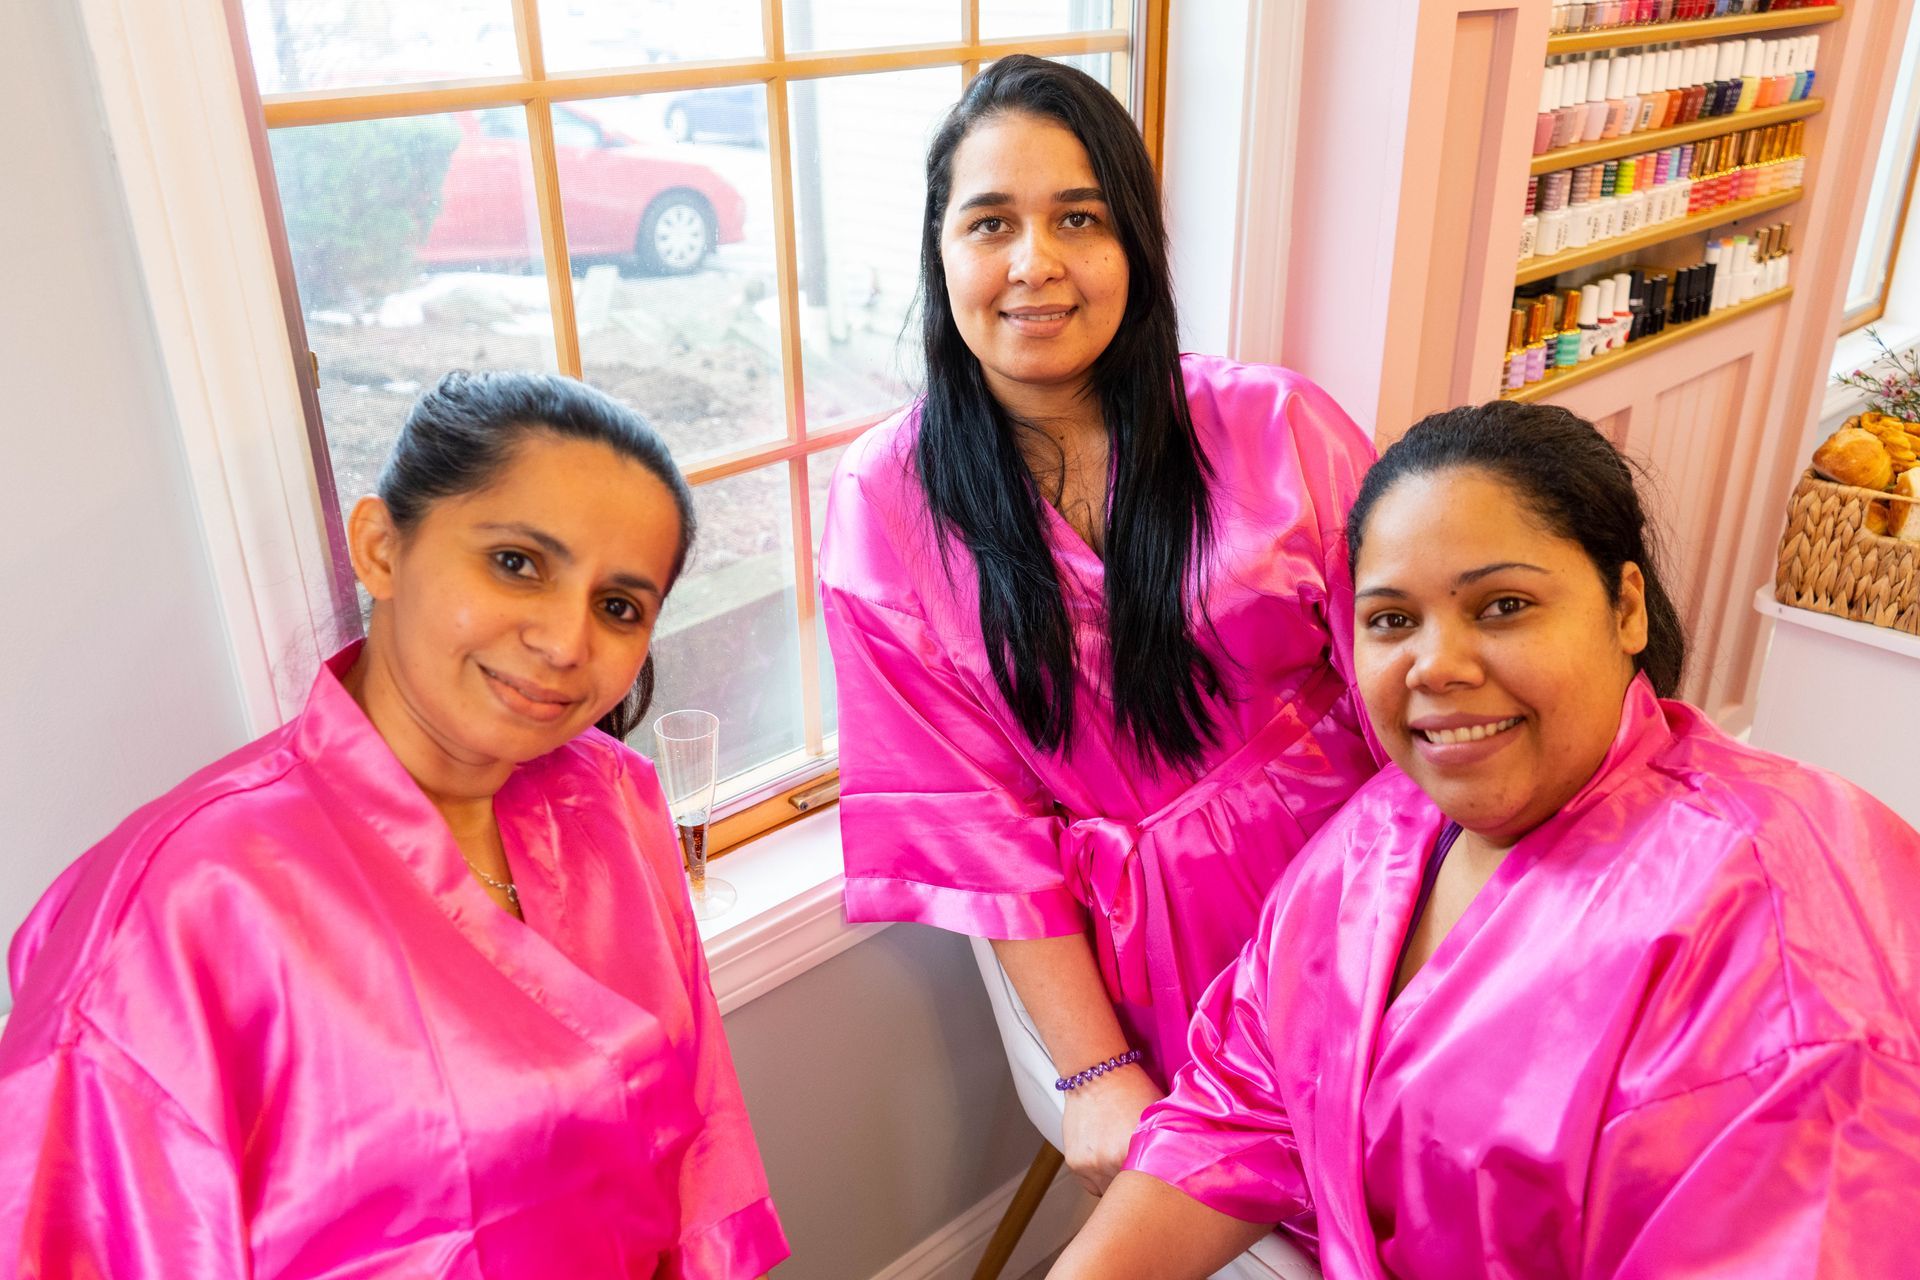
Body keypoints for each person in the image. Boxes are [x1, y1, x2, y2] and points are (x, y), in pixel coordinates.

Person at [1049, 401, 1920, 1278]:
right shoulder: (1377, 839)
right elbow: (1242, 1106)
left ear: (1625, 608)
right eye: (1392, 620)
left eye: (1503, 605)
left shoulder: (1779, 937)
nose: (1438, 665)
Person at [0, 373, 789, 1278]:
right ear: (380, 548)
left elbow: (698, 1145)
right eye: (517, 562)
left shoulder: (613, 798)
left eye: (618, 607)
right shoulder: (179, 905)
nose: (567, 643)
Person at [818, 55, 1379, 1193]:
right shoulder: (884, 503)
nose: (1036, 265)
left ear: (1134, 243)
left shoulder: (1279, 422)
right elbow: (975, 819)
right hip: (1158, 956)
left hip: (1371, 881)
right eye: (990, 223)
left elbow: (1411, 686)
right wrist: (1094, 1069)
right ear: (941, 253)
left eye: (1079, 217)